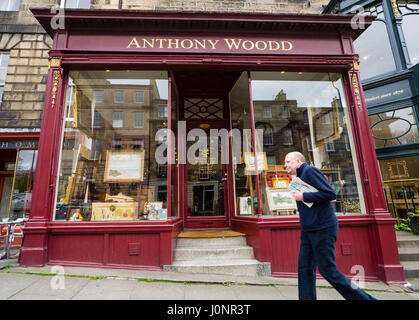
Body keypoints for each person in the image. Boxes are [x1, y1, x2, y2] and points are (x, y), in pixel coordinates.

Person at [284, 151, 376, 300]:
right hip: (309, 229)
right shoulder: (299, 177)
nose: (285, 165)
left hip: (322, 228)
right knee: (304, 269)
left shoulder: (310, 170)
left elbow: (330, 193)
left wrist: (303, 196)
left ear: (298, 161)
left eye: (288, 161)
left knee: (328, 270)